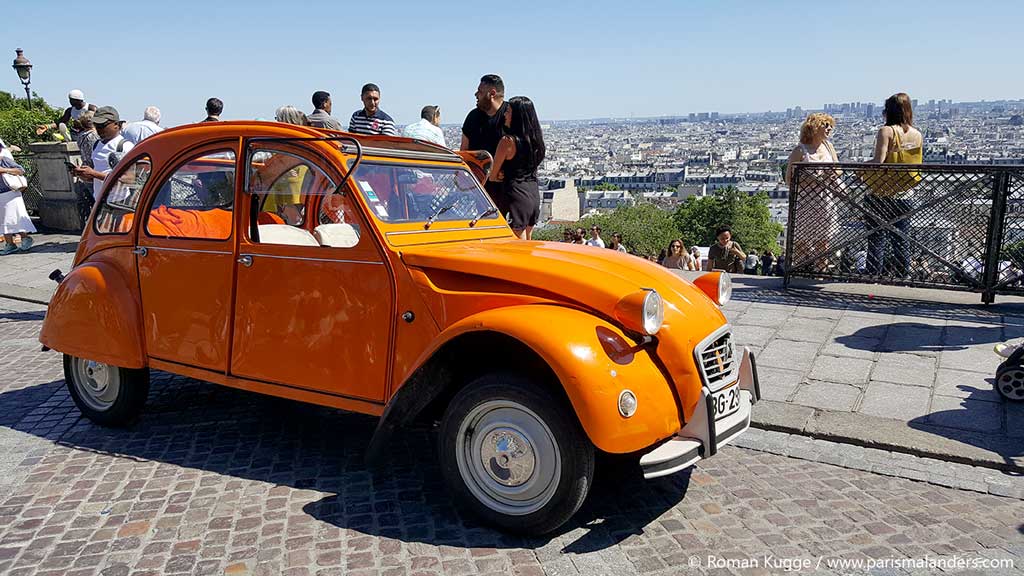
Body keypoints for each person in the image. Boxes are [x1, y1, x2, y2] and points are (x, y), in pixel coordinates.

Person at [864, 93, 923, 278]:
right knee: (901, 238)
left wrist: (859, 168)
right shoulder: (917, 134)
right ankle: (902, 275)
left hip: (881, 192)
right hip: (906, 193)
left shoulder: (887, 131)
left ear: (888, 111)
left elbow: (879, 161)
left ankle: (873, 274)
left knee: (876, 237)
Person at [786, 113, 840, 272]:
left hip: (825, 201)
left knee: (823, 243)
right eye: (825, 125)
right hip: (805, 202)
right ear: (814, 128)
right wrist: (814, 178)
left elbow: (839, 170)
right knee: (801, 241)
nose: (829, 128)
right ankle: (800, 272)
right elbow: (789, 178)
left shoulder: (829, 147)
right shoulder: (800, 150)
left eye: (830, 125)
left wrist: (831, 174)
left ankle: (819, 274)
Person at [488, 96, 545, 240]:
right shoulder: (537, 141)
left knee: (515, 247)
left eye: (508, 111)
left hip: (515, 195)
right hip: (533, 194)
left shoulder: (507, 142)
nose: (505, 115)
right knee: (528, 242)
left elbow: (493, 175)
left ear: (517, 116)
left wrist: (500, 174)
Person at [461, 74, 509, 212]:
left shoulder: (510, 114)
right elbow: (464, 151)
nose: (476, 95)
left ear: (492, 93)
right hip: (482, 188)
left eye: (480, 92)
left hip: (508, 187)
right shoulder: (473, 117)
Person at [72, 106, 134, 201]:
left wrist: (94, 173)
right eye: (96, 126)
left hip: (118, 203)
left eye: (102, 125)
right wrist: (83, 174)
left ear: (116, 125)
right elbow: (97, 178)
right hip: (99, 201)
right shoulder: (97, 145)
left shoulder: (125, 146)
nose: (99, 130)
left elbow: (129, 180)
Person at [0, 139, 36, 254]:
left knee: (12, 217)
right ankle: (10, 243)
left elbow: (21, 170)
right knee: (4, 219)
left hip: (10, 192)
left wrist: (4, 170)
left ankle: (23, 238)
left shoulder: (4, 160)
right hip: (2, 193)